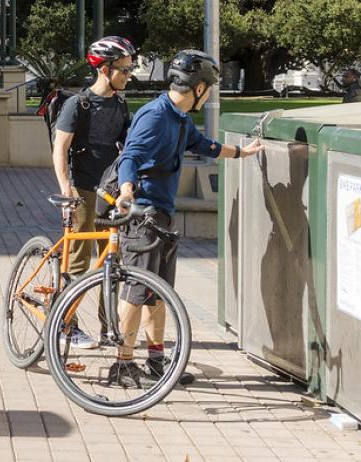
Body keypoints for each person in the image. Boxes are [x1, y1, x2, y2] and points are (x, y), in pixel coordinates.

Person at [112, 49, 263, 388]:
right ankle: (122, 363)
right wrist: (125, 191)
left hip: (162, 215)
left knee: (159, 291)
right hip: (143, 214)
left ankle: (154, 359)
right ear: (198, 88)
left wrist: (240, 152)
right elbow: (131, 156)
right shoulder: (154, 116)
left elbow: (203, 145)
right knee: (137, 291)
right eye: (208, 88)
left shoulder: (179, 118)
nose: (208, 94)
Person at [53, 36, 136, 349]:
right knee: (76, 263)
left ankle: (108, 328)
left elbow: (128, 147)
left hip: (110, 193)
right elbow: (60, 150)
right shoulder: (78, 104)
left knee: (111, 263)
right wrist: (66, 189)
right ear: (105, 70)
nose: (128, 75)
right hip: (83, 191)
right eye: (124, 70)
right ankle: (66, 325)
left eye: (129, 69)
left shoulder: (120, 104)